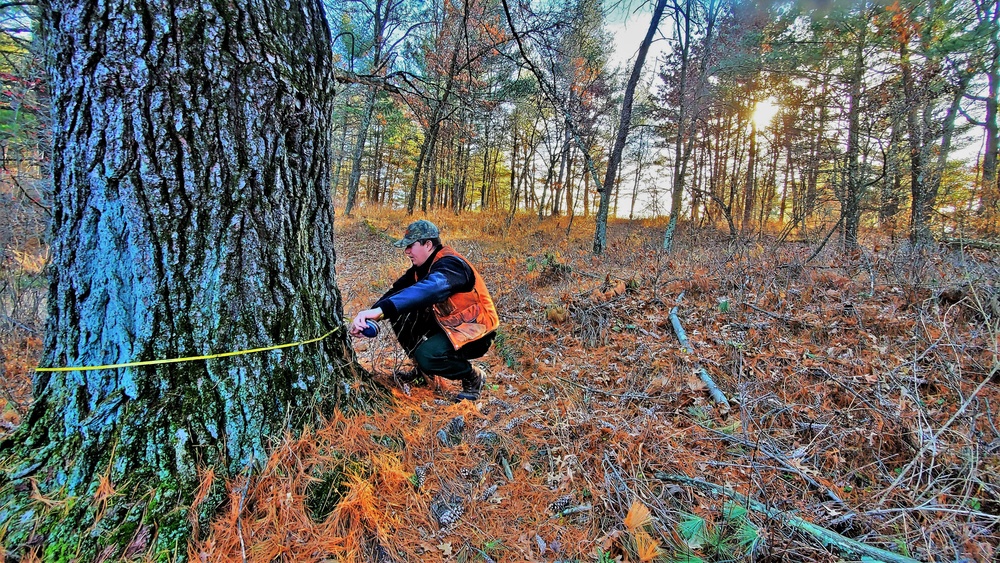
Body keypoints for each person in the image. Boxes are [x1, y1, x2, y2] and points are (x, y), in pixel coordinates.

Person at [350, 219, 499, 402]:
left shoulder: (452, 264)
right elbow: (396, 293)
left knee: (427, 355)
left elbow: (431, 288)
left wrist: (382, 310)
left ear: (428, 244)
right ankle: (424, 373)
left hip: (476, 331)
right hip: (449, 324)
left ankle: (472, 376)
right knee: (400, 313)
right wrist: (371, 315)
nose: (407, 251)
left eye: (411, 246)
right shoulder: (419, 269)